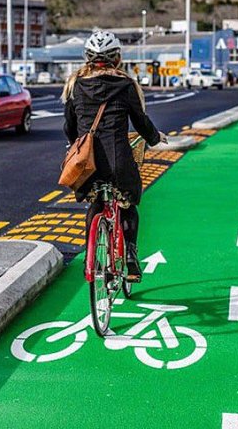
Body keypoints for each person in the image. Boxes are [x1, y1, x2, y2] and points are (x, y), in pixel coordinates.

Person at [63, 30, 167, 283]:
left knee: (96, 205)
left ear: (87, 57)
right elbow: (140, 121)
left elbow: (69, 125)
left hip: (88, 164)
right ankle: (130, 258)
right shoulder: (126, 85)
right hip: (119, 159)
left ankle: (94, 257)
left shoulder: (76, 84)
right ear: (117, 58)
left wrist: (73, 145)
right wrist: (155, 138)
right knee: (128, 206)